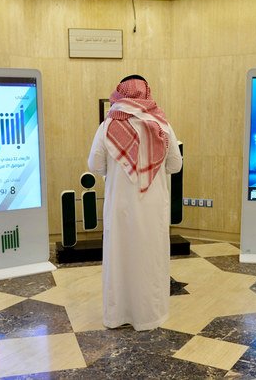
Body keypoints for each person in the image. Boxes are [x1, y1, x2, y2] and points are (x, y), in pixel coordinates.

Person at [88, 75, 182, 331]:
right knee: (150, 258)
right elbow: (176, 164)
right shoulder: (162, 124)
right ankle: (150, 316)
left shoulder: (108, 124)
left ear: (119, 92)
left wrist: (117, 170)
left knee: (120, 256)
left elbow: (95, 164)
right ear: (147, 93)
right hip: (152, 207)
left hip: (120, 206)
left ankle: (117, 316)